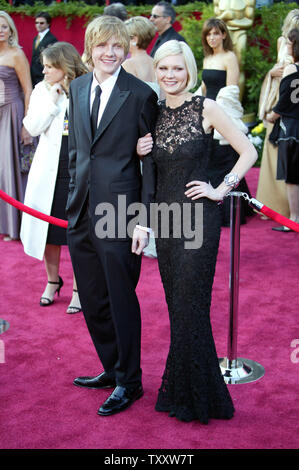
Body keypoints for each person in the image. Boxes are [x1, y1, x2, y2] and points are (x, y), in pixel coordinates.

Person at [137, 40, 257, 423]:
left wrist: (221, 189)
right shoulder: (152, 113)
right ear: (156, 71)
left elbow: (249, 150)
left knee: (191, 306)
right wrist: (141, 151)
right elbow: (150, 170)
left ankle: (196, 397)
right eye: (164, 69)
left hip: (199, 220)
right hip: (166, 221)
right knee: (179, 309)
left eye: (178, 68)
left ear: (189, 70)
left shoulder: (206, 107)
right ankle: (192, 390)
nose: (170, 75)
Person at [66, 15, 158, 416]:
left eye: (117, 46)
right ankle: (111, 367)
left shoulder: (139, 95)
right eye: (102, 45)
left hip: (120, 211)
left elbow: (151, 165)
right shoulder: (77, 86)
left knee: (120, 297)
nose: (110, 53)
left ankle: (130, 382)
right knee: (92, 296)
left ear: (126, 49)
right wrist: (73, 195)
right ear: (90, 48)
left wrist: (144, 220)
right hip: (81, 209)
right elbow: (77, 152)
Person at [21, 42, 87, 313]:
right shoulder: (41, 90)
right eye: (44, 66)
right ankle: (52, 281)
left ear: (64, 65)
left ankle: (78, 288)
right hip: (51, 167)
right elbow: (33, 127)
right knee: (49, 229)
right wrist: (53, 99)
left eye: (50, 66)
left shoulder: (86, 86)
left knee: (77, 230)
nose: (44, 70)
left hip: (80, 165)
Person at [198, 18, 252, 226]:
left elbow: (231, 91)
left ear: (223, 35)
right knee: (210, 159)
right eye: (208, 34)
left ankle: (232, 209)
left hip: (223, 112)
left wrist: (216, 116)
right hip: (207, 112)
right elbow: (203, 87)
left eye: (215, 33)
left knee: (225, 159)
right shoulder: (207, 58)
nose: (212, 37)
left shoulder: (230, 57)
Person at [256, 10, 299, 219]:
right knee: (275, 155)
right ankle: (276, 207)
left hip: (292, 100)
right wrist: (273, 73)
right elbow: (277, 66)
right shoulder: (282, 41)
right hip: (279, 94)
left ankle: (293, 212)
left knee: (290, 158)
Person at [0, 11, 32, 241]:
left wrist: (26, 124)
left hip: (12, 113)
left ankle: (14, 225)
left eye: (4, 26)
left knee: (9, 167)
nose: (0, 30)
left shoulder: (17, 54)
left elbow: (28, 89)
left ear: (11, 29)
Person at [266, 28, 299, 232]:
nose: (286, 46)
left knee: (293, 178)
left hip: (292, 128)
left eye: (288, 43)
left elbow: (286, 100)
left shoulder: (291, 69)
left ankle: (294, 219)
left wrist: (272, 115)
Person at [31, 12, 58, 87]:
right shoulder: (36, 38)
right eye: (36, 23)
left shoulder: (52, 39)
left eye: (41, 23)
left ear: (48, 24)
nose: (38, 25)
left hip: (44, 74)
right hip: (34, 75)